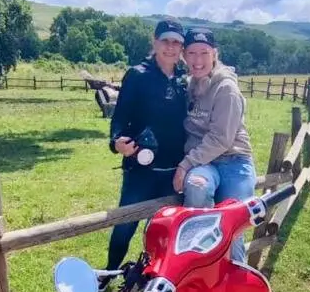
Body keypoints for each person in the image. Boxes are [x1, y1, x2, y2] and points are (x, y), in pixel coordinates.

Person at [105, 18, 187, 271]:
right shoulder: (137, 75)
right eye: (166, 41)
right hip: (141, 169)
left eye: (176, 43)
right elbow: (120, 118)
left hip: (175, 171)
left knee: (164, 230)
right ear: (155, 41)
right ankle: (109, 272)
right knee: (125, 226)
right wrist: (117, 142)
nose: (170, 47)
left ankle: (154, 276)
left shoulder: (186, 78)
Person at [173, 27, 256, 264]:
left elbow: (221, 139)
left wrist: (184, 165)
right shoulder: (189, 86)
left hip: (233, 160)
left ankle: (234, 285)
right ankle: (196, 268)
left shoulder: (226, 89)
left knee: (233, 224)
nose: (197, 61)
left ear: (214, 54)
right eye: (191, 53)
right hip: (205, 162)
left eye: (204, 53)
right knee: (197, 188)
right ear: (184, 56)